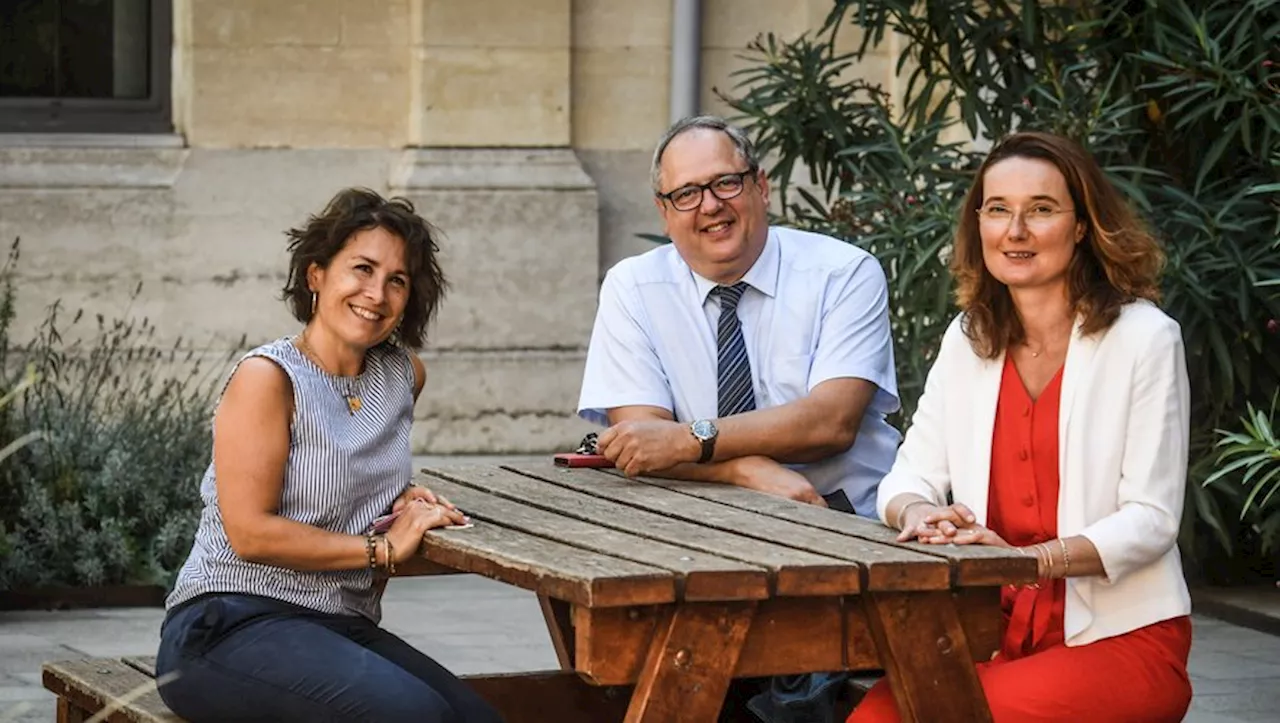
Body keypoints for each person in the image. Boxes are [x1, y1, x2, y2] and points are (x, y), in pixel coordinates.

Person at [849, 132, 1193, 722]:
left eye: (1040, 210)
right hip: (994, 631)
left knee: (941, 716)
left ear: (1082, 225)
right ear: (978, 223)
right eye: (998, 210)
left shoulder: (1145, 338)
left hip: (1119, 638)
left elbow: (1152, 519)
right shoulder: (969, 337)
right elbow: (909, 475)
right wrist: (917, 513)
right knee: (872, 718)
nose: (1016, 231)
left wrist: (1029, 562)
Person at [156, 188, 504, 723]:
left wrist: (405, 501)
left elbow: (356, 474)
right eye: (361, 269)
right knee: (412, 717)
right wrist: (383, 549)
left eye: (397, 280)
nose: (377, 293)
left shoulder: (402, 375)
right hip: (229, 622)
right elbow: (249, 533)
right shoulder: (269, 378)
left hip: (339, 623)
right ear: (316, 275)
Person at [577, 115, 901, 519]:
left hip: (843, 517)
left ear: (761, 187)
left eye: (726, 183)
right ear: (664, 211)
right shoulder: (633, 287)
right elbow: (641, 444)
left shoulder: (844, 273)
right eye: (687, 194)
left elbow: (830, 424)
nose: (711, 205)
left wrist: (689, 440)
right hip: (696, 521)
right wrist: (741, 470)